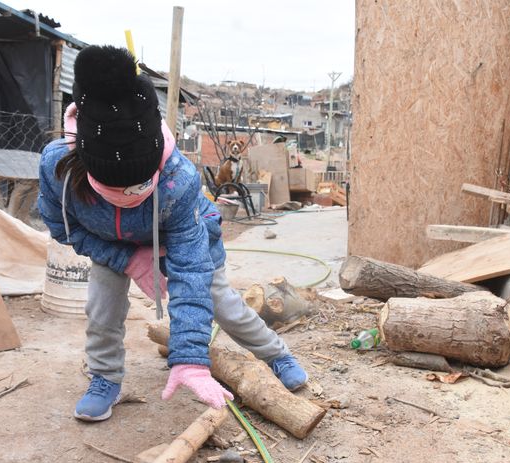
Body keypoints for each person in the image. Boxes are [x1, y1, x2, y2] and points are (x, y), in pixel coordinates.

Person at [38, 45, 308, 422]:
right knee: (101, 309)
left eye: (137, 189)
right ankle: (104, 378)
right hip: (112, 246)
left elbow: (192, 276)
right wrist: (129, 260)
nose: (130, 198)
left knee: (221, 302)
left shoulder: (179, 181)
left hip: (180, 237)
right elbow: (66, 233)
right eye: (118, 192)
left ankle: (277, 354)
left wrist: (191, 360)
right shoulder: (58, 169)